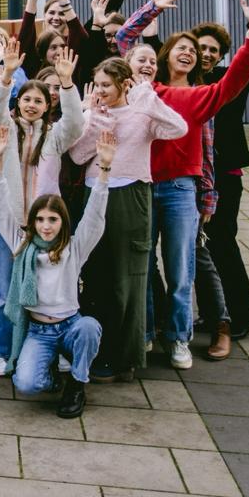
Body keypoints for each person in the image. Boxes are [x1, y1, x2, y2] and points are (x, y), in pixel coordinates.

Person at [114, 0, 249, 370]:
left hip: (182, 190)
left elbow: (234, 83)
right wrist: (151, 9)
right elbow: (124, 41)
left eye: (193, 51)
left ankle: (180, 338)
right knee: (144, 266)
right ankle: (146, 332)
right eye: (181, 47)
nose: (188, 52)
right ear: (165, 55)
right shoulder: (144, 91)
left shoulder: (201, 97)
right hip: (142, 186)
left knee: (182, 269)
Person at [68, 57, 187, 382]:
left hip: (132, 195)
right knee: (96, 275)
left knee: (128, 278)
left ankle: (125, 356)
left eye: (107, 85)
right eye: (98, 85)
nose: (101, 91)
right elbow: (77, 156)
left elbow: (178, 128)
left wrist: (147, 98)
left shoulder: (141, 113)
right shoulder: (93, 113)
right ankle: (98, 353)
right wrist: (95, 120)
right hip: (95, 193)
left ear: (123, 84)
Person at [0, 123, 118, 418]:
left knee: (89, 328)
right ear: (33, 222)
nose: (46, 226)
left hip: (70, 324)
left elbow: (95, 216)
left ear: (63, 222)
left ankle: (77, 383)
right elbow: (0, 210)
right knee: (26, 383)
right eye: (40, 219)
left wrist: (104, 169)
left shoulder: (74, 248)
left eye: (52, 220)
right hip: (39, 330)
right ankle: (51, 375)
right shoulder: (22, 245)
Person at [0, 36, 84, 376]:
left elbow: (76, 124)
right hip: (9, 221)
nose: (31, 104)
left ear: (46, 106)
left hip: (44, 226)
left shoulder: (54, 135)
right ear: (18, 102)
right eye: (26, 99)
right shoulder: (5, 129)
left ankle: (44, 347)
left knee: (45, 289)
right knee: (2, 288)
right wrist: (6, 75)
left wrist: (67, 84)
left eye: (38, 100)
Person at [192, 0, 249, 356]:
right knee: (198, 248)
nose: (208, 54)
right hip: (193, 175)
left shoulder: (229, 80)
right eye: (202, 48)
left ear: (222, 55)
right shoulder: (186, 83)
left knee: (222, 242)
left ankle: (240, 315)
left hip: (225, 174)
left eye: (214, 50)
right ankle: (213, 313)